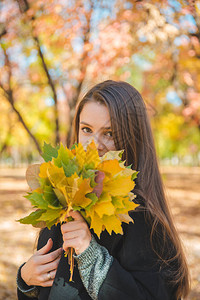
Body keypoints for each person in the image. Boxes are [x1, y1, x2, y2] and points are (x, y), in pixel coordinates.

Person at [17, 80, 190, 300]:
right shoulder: (64, 198)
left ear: (133, 137)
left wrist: (90, 254)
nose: (93, 144)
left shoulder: (141, 214)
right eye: (86, 129)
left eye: (109, 133)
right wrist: (26, 280)